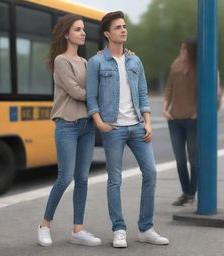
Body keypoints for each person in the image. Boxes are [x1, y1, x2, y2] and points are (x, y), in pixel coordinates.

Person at [86, 11, 169, 248]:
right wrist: (100, 123)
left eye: (124, 26)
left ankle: (146, 228)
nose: (123, 30)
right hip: (113, 128)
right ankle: (119, 228)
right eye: (118, 27)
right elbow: (91, 97)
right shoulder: (97, 62)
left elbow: (142, 94)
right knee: (115, 179)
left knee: (150, 173)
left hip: (137, 127)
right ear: (107, 33)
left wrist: (148, 121)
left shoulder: (135, 61)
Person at [37, 14, 101, 247]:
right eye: (77, 29)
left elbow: (98, 85)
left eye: (83, 29)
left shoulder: (85, 63)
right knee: (64, 178)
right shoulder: (61, 61)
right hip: (67, 125)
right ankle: (44, 225)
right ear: (66, 34)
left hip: (87, 126)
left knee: (82, 179)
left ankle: (78, 229)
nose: (83, 33)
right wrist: (96, 98)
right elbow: (76, 92)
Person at [163, 37, 221, 206]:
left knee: (194, 159)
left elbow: (216, 93)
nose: (181, 52)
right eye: (181, 49)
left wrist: (203, 113)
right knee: (180, 159)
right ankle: (187, 192)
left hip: (193, 120)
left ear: (192, 52)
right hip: (174, 120)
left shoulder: (202, 66)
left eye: (184, 49)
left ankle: (191, 192)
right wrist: (165, 109)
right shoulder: (175, 65)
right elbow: (169, 88)